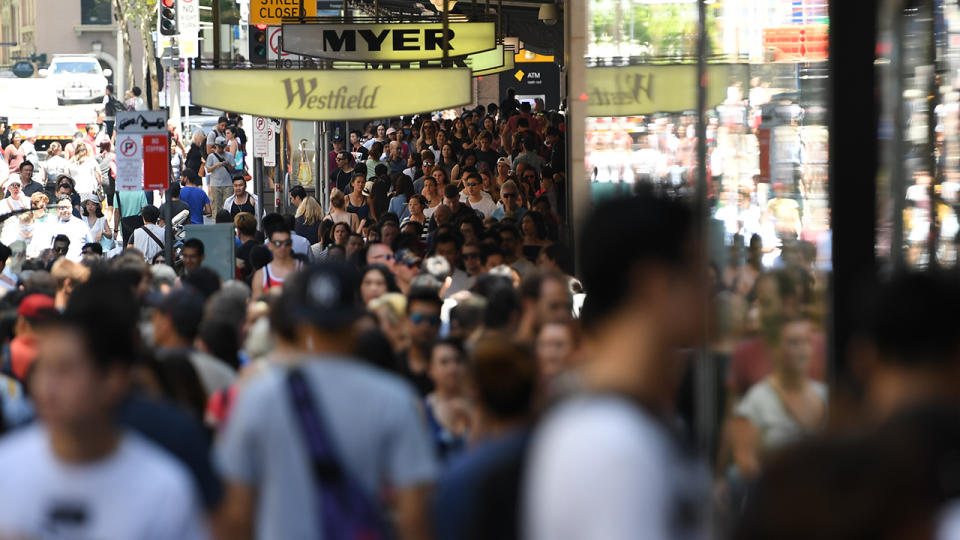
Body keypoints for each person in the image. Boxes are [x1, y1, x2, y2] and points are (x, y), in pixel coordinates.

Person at [523, 193, 708, 540]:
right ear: (655, 284)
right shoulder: (609, 440)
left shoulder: (625, 420)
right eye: (697, 275)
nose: (708, 294)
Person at [216, 263, 437, 539]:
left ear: (300, 322)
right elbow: (416, 515)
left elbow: (236, 514)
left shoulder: (258, 396)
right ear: (356, 322)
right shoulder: (394, 398)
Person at [0, 278, 208, 539]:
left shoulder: (165, 490)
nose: (46, 387)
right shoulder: (7, 465)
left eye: (65, 370)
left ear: (114, 379)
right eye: (43, 369)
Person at [730, 315, 826, 482]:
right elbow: (745, 462)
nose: (803, 350)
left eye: (807, 342)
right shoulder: (757, 400)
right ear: (776, 350)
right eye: (794, 343)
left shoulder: (825, 394)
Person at [424, 338, 470, 461]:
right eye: (444, 362)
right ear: (430, 370)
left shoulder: (480, 407)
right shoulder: (422, 411)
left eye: (458, 361)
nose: (453, 368)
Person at [400, 287, 443, 397]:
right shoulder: (391, 366)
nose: (425, 326)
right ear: (406, 320)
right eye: (418, 318)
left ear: (439, 325)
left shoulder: (449, 368)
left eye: (433, 320)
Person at [251, 223, 302, 301]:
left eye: (286, 243)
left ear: (291, 244)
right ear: (270, 245)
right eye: (278, 243)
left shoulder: (303, 270)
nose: (283, 247)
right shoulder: (261, 276)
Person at [206, 136, 235, 214]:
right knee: (216, 206)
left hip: (228, 183)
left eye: (223, 147)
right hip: (215, 184)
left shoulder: (229, 155)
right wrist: (216, 165)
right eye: (219, 147)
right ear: (216, 146)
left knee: (228, 205)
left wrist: (228, 165)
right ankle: (216, 222)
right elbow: (208, 169)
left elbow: (233, 169)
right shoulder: (211, 156)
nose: (221, 149)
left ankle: (228, 222)